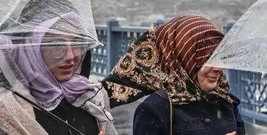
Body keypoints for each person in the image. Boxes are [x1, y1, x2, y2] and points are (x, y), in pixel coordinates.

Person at [0, 0, 116, 135]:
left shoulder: (92, 92)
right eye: (57, 45)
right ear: (32, 49)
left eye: (77, 43)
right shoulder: (5, 110)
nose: (70, 56)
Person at [103, 15, 245, 135]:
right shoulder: (156, 109)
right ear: (183, 58)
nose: (218, 67)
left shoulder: (225, 101)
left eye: (220, 56)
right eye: (207, 58)